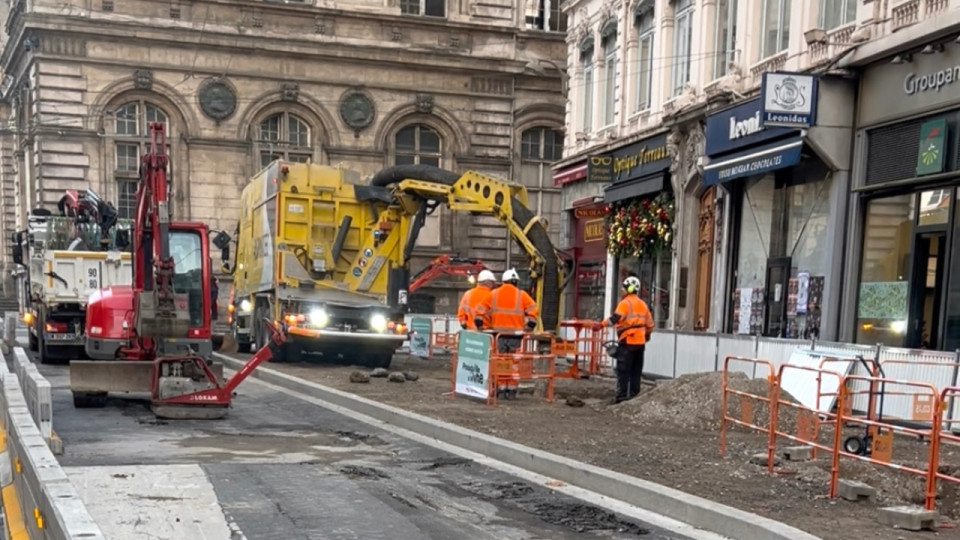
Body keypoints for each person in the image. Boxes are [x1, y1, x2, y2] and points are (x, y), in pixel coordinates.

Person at [603, 275, 654, 403]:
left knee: (623, 370)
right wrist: (645, 336)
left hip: (627, 342)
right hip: (640, 344)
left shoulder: (624, 304)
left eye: (624, 288)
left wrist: (600, 325)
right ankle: (634, 396)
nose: (621, 290)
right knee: (636, 371)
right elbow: (650, 325)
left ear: (629, 289)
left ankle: (621, 397)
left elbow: (614, 319)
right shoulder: (643, 305)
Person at [475, 268, 539, 352]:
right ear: (515, 282)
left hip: (498, 335)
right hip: (516, 336)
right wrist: (529, 327)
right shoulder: (522, 295)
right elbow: (534, 311)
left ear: (503, 281)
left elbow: (478, 312)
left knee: (499, 360)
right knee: (514, 360)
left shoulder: (493, 294)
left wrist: (480, 327)